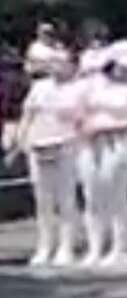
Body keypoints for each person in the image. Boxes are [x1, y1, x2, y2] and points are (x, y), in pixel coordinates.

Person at [8, 42, 81, 266]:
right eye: (53, 63)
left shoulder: (78, 89)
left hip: (66, 146)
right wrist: (18, 143)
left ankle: (66, 246)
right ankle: (44, 245)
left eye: (61, 62)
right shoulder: (39, 88)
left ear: (71, 65)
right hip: (39, 146)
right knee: (43, 201)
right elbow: (27, 116)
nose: (56, 67)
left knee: (66, 199)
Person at [77, 40, 127, 267]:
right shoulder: (92, 84)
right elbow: (78, 109)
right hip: (90, 144)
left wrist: (108, 127)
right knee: (92, 195)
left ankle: (120, 248)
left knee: (116, 196)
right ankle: (95, 247)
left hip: (119, 142)